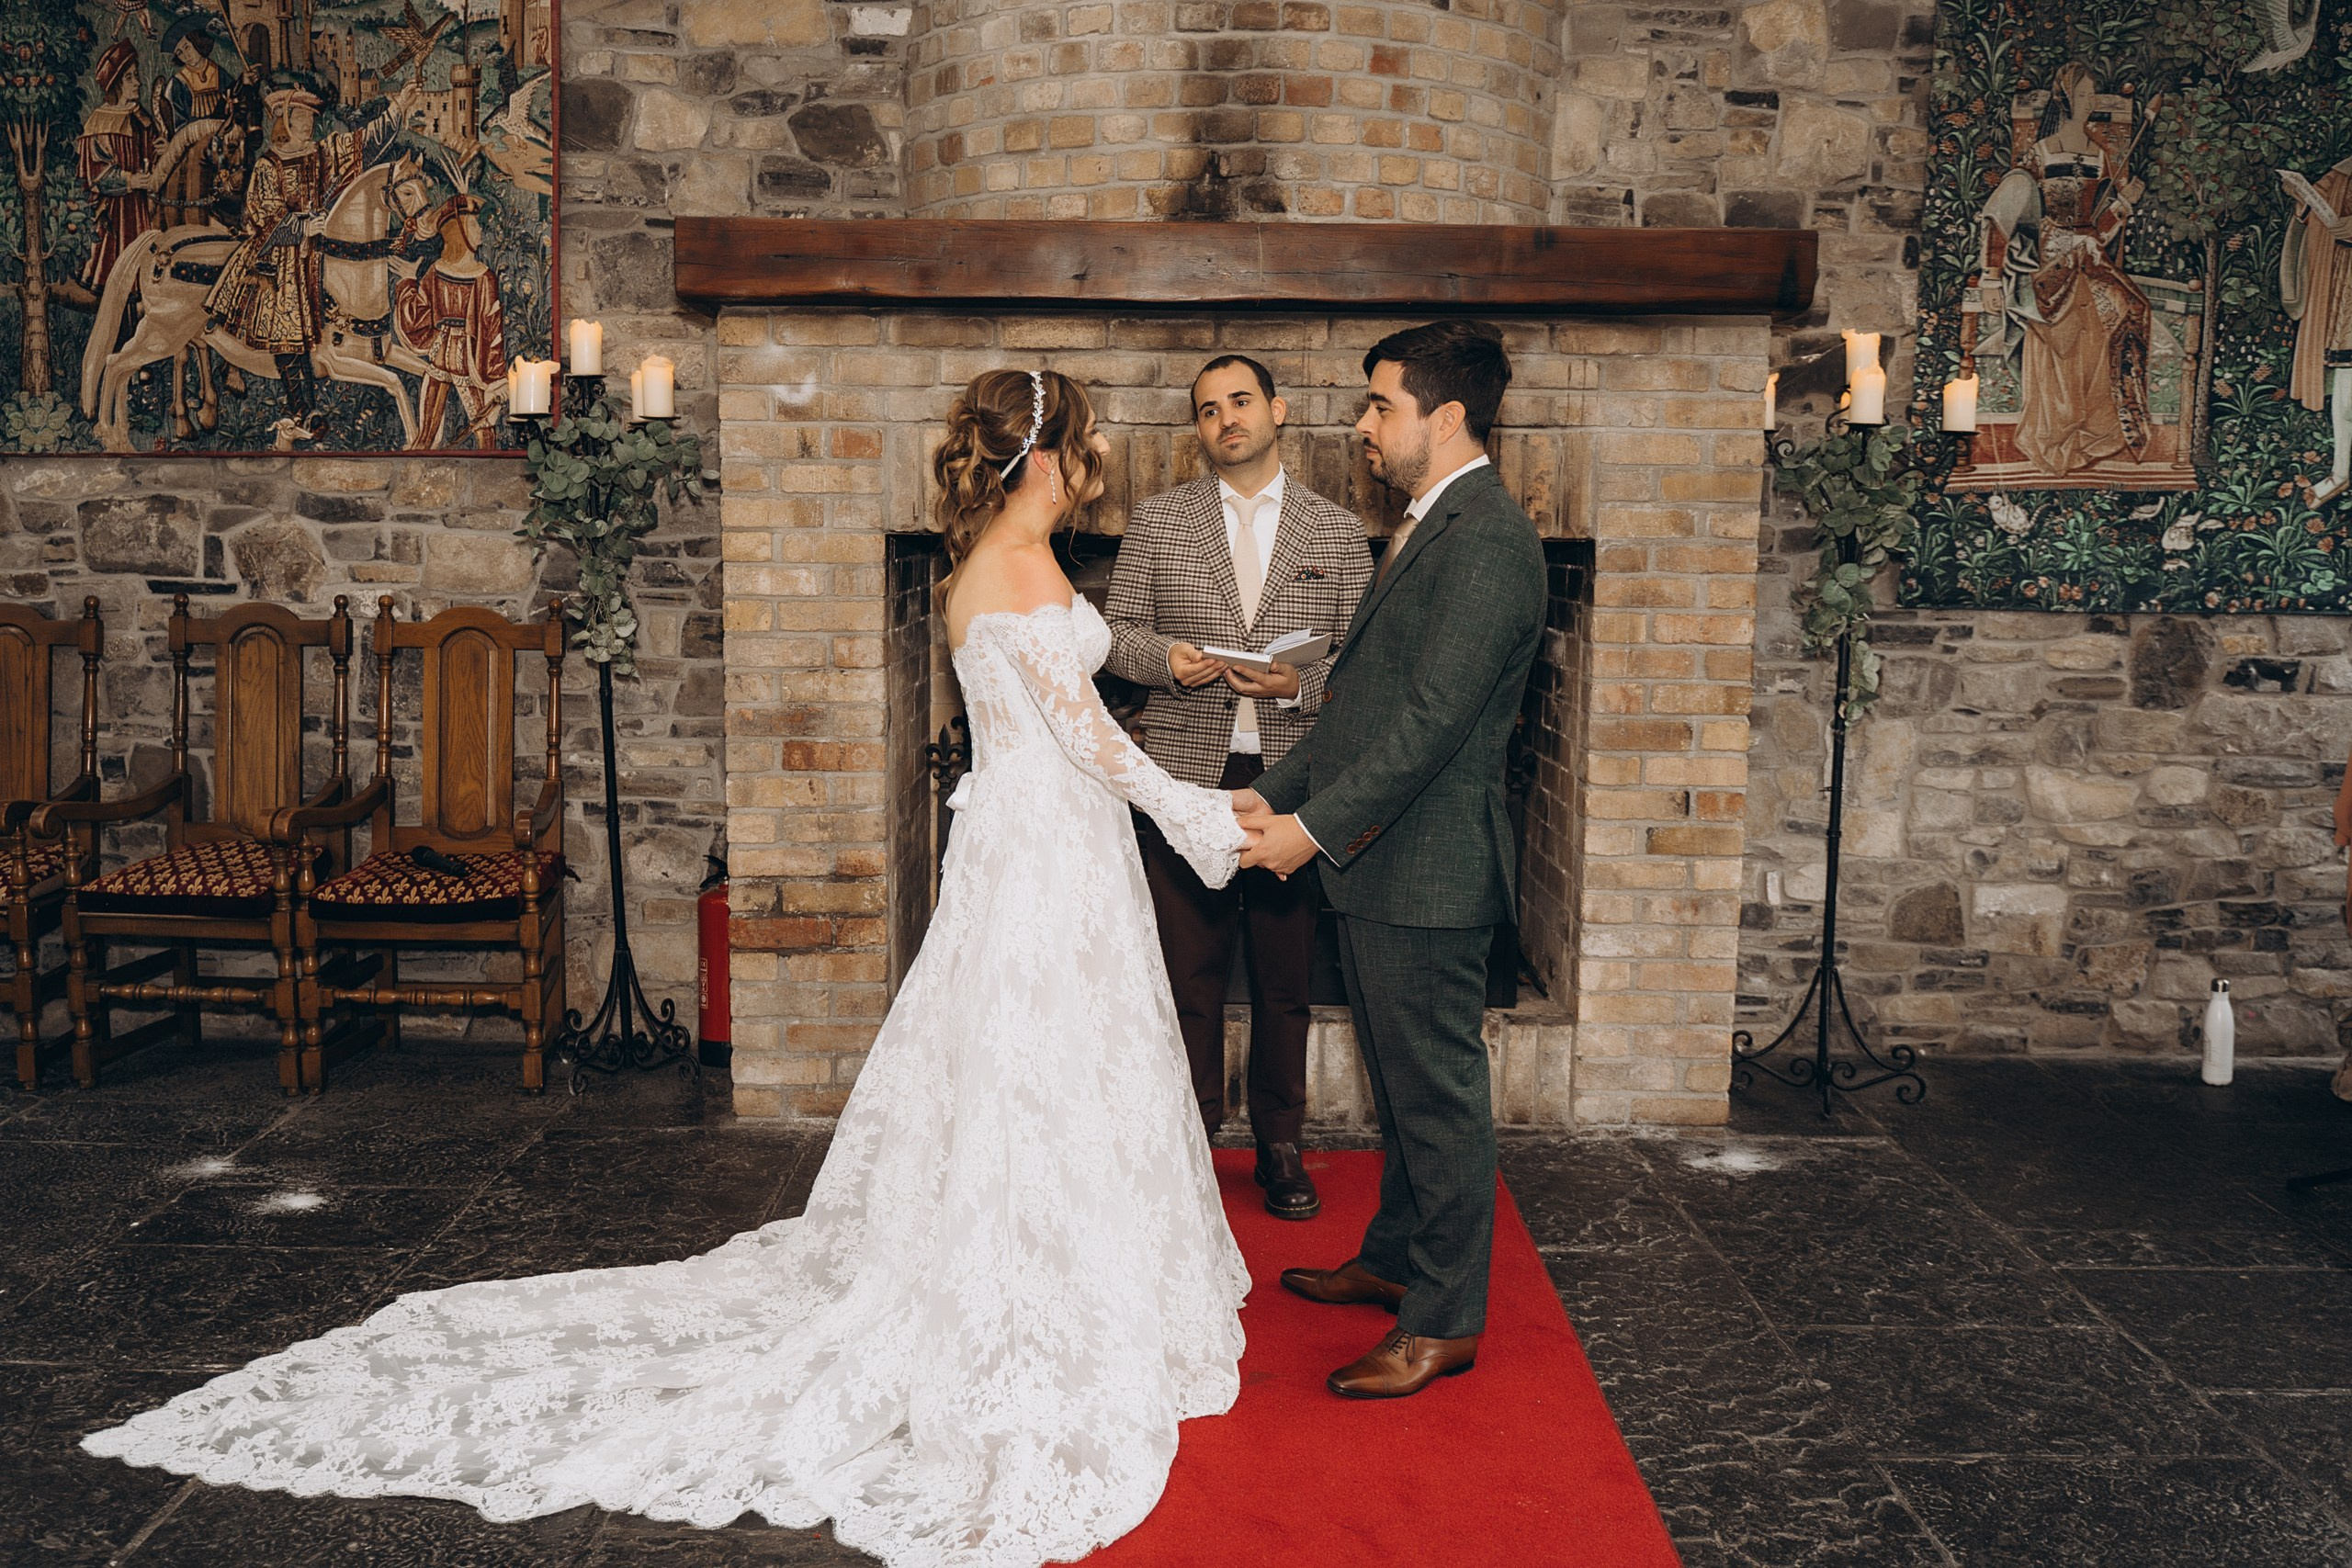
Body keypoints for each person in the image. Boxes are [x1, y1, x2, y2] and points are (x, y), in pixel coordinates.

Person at [82, 370, 1254, 1568]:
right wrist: (1203, 813)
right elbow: (1089, 734)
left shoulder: (1001, 562)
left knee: (1049, 1067)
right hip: (1047, 845)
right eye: (1087, 445)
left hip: (1042, 840)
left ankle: (1065, 1267)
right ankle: (1023, 1302)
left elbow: (1080, 717)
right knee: (1036, 1068)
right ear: (1045, 457)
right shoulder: (1014, 572)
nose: (1095, 464)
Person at [1238, 321, 1546, 1400]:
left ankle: (1444, 1321)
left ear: (1444, 416)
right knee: (1402, 1093)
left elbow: (1425, 726)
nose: (1363, 426)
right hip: (1379, 869)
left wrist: (1307, 834)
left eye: (1380, 406)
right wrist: (1262, 798)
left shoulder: (1491, 542)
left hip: (1427, 878)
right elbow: (1354, 712)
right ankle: (1393, 1259)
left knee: (1437, 1104)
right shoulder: (1427, 523)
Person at [1105, 354, 1374, 1220]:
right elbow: (1115, 638)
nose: (1226, 418)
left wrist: (1300, 684)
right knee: (1189, 971)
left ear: (1278, 410)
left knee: (1283, 975)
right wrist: (1169, 663)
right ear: (1199, 429)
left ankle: (1281, 1143)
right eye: (1209, 409)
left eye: (1241, 401)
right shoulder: (1158, 522)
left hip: (1296, 777)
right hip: (1188, 774)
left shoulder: (1337, 531)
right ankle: (1187, 1141)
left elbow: (1362, 666)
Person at [205, 83, 418, 446]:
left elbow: (363, 143)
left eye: (312, 117)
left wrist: (397, 107)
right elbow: (261, 215)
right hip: (279, 258)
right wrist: (301, 226)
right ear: (284, 120)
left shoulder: (321, 154)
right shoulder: (267, 166)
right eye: (301, 116)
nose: (309, 123)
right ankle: (302, 407)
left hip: (315, 256)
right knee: (286, 322)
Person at [1975, 62, 2154, 480]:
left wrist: (2123, 203)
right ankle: (2053, 432)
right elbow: (2006, 213)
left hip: (2090, 256)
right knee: (2063, 337)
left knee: (2127, 308)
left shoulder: (2100, 156)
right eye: (2083, 95)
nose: (2090, 102)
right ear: (2065, 99)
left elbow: (2103, 223)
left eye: (2094, 95)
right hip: (2047, 262)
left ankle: (2096, 428)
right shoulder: (2039, 155)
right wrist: (1991, 275)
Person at [394, 193, 509, 449]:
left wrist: (497, 379)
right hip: (453, 355)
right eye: (474, 225)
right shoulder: (443, 271)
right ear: (461, 232)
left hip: (463, 358)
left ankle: (486, 470)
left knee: (483, 428)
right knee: (427, 432)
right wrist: (408, 282)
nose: (480, 230)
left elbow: (491, 329)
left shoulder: (481, 276)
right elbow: (419, 312)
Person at [2282, 154, 2352, 506]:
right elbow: (2316, 204)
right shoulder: (2344, 172)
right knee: (2346, 386)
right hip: (2346, 288)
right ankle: (2340, 473)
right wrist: (2301, 198)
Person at [76, 41, 158, 298]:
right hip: (115, 212)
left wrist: (162, 151)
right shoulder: (100, 121)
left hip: (140, 208)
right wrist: (133, 181)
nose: (138, 83)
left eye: (137, 76)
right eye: (131, 78)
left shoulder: (139, 116)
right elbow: (96, 175)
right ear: (116, 84)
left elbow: (150, 154)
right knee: (115, 278)